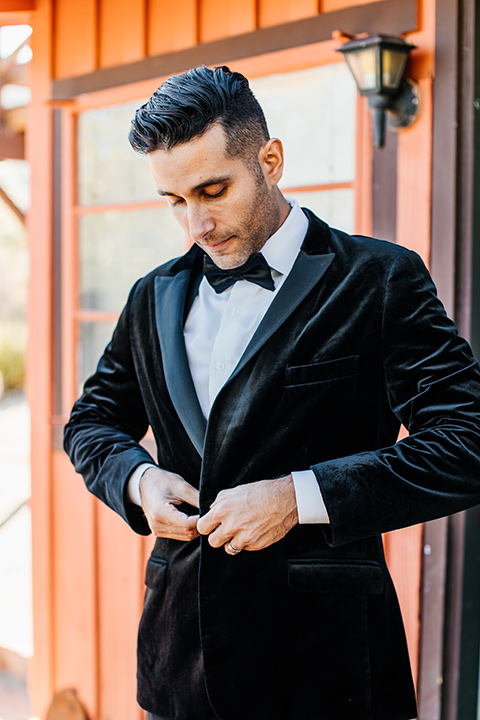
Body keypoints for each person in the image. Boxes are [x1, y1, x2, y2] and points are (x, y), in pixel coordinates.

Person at [64, 65, 480, 720]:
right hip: (178, 671)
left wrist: (296, 497)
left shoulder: (380, 280)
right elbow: (90, 423)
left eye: (213, 189)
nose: (195, 223)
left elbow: (466, 446)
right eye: (174, 200)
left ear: (271, 160)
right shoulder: (153, 295)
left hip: (327, 673)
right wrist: (139, 482)